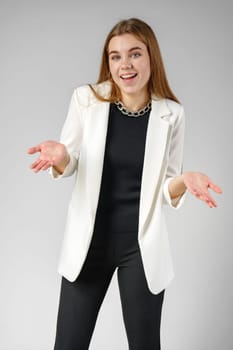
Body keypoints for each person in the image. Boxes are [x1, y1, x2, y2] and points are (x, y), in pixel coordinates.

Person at [27, 18, 222, 350]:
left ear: (151, 58)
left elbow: (165, 187)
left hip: (141, 249)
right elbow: (71, 161)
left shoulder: (171, 114)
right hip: (89, 245)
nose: (125, 65)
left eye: (134, 54)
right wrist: (61, 155)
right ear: (108, 62)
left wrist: (185, 181)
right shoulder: (86, 100)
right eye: (115, 56)